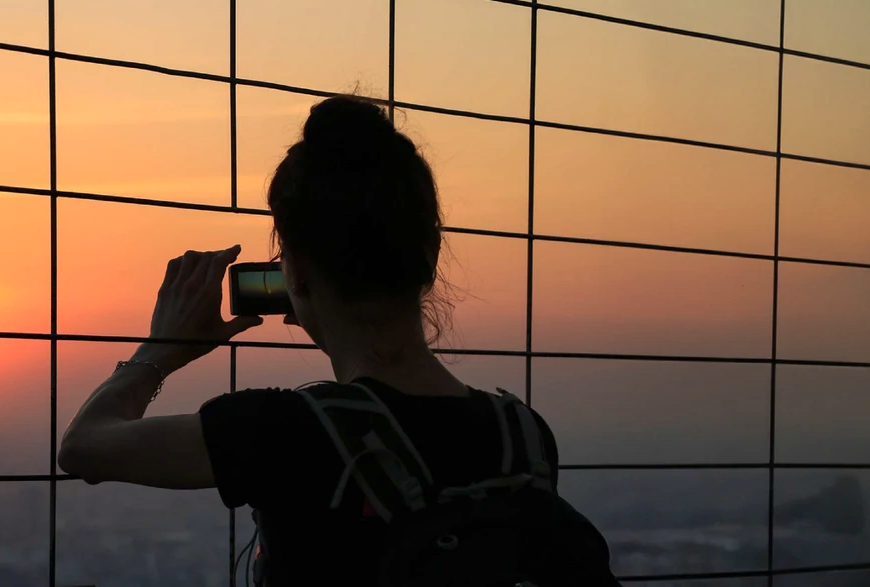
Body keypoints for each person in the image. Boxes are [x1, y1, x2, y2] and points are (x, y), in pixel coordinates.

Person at [58, 95, 617, 586]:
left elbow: (84, 446)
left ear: (295, 274)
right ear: (430, 257)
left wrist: (161, 349)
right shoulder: (523, 436)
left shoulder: (284, 431)